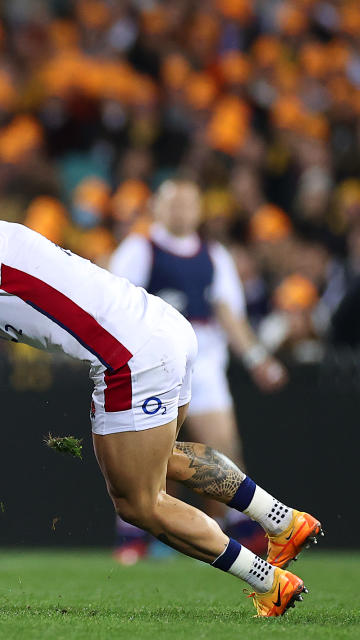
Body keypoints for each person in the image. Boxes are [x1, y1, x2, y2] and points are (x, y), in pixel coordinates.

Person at [0, 219, 321, 617]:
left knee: (139, 503)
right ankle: (282, 520)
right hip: (164, 328)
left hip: (130, 358)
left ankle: (268, 581)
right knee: (162, 458)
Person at [108, 179, 287, 560]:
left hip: (204, 356)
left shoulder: (214, 254)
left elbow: (228, 312)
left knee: (223, 444)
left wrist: (257, 359)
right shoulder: (140, 249)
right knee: (151, 448)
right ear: (157, 206)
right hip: (153, 358)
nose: (182, 211)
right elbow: (117, 306)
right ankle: (141, 530)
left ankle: (226, 526)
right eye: (174, 203)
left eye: (189, 203)